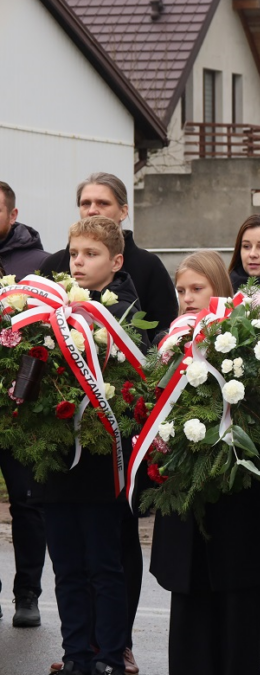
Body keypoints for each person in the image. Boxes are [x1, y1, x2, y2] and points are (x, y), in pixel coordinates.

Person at [40, 172, 169, 674]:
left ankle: (109, 656)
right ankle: (76, 656)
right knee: (68, 568)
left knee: (103, 566)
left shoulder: (126, 312)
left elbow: (143, 373)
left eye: (90, 255)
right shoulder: (48, 310)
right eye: (75, 255)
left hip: (102, 459)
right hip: (56, 456)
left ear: (115, 263)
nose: (79, 263)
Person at [149, 250, 260, 675]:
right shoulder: (169, 344)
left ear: (220, 290)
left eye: (197, 289)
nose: (187, 298)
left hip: (234, 499)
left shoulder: (244, 342)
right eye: (181, 290)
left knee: (236, 615)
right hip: (188, 502)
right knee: (190, 613)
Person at [40, 172, 179, 332]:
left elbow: (164, 331)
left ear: (123, 211)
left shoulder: (149, 266)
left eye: (103, 203)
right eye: (85, 203)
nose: (92, 210)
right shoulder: (54, 264)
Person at [0, 180, 49, 628]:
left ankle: (28, 593)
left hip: (19, 408)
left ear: (13, 215)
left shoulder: (40, 265)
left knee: (28, 504)